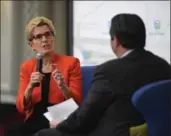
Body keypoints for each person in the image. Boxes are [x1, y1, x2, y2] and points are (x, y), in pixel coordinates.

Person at [34, 13, 171, 136]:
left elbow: (85, 118)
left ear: (115, 41)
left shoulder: (109, 71)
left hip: (113, 131)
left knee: (43, 133)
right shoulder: (164, 66)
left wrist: (61, 126)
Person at [4, 16, 82, 136]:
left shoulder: (71, 63)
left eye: (48, 34)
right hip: (35, 118)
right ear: (32, 45)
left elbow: (77, 102)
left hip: (59, 116)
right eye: (39, 37)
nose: (45, 40)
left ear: (53, 38)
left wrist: (63, 86)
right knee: (12, 131)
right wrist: (29, 87)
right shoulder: (27, 67)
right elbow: (21, 107)